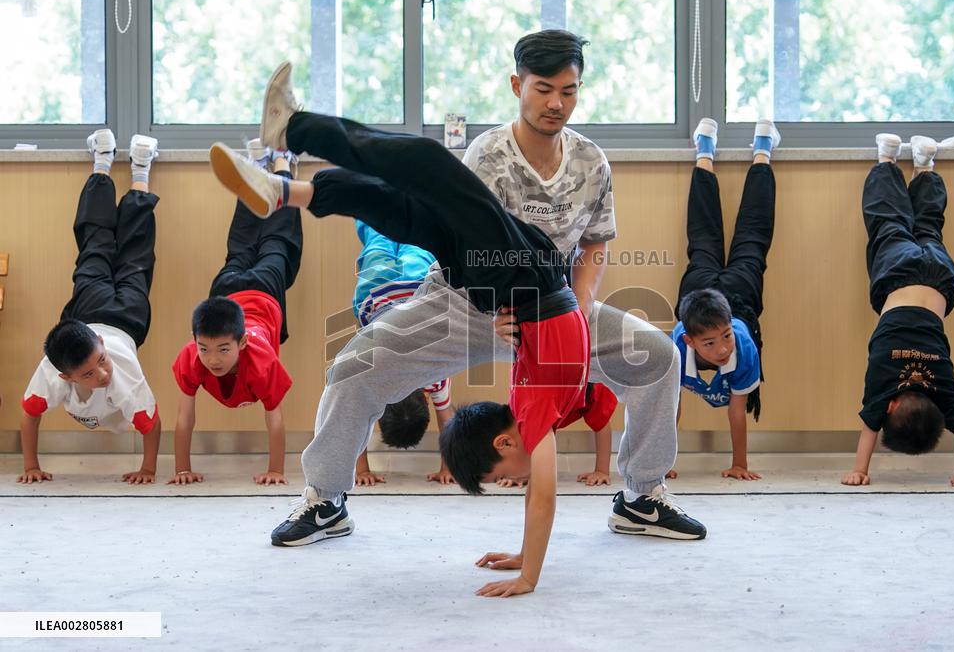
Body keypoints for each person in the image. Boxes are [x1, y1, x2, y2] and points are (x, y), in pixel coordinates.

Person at [207, 51, 705, 595]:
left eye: (569, 90)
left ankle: (641, 498)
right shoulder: (490, 151)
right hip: (469, 296)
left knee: (657, 357)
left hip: (549, 304)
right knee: (358, 359)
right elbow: (460, 221)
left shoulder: (591, 162)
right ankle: (325, 501)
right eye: (544, 89)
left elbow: (595, 247)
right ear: (518, 85)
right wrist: (497, 312)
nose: (557, 102)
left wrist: (582, 308)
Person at [841, 134, 954, 489]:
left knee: (928, 228)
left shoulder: (944, 389)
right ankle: (886, 160)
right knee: (887, 223)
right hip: (897, 277)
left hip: (940, 278)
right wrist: (860, 470)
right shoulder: (882, 386)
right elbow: (868, 428)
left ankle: (925, 166)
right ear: (890, 409)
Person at [19, 130, 162, 485]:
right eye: (88, 375)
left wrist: (148, 470)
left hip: (89, 307)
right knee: (135, 252)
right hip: (129, 317)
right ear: (64, 376)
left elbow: (151, 423)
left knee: (95, 244)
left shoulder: (119, 374)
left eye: (101, 362)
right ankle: (140, 170)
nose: (103, 375)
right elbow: (29, 413)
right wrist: (30, 466)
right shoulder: (53, 370)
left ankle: (103, 161)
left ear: (98, 343)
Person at [169, 147, 302, 486]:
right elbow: (185, 416)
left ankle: (270, 164)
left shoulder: (260, 361)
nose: (212, 359)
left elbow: (274, 417)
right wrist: (182, 468)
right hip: (231, 293)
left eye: (223, 350)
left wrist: (276, 470)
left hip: (255, 291)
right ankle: (271, 164)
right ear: (195, 342)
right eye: (205, 349)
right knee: (268, 239)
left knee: (260, 240)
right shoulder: (193, 355)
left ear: (242, 343)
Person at [670, 117, 779, 480]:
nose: (722, 350)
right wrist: (664, 462)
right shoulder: (677, 346)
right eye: (712, 344)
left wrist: (739, 464)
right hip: (737, 290)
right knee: (752, 234)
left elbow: (737, 409)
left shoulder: (741, 345)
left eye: (725, 339)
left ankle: (706, 149)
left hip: (706, 292)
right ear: (689, 339)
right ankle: (761, 149)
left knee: (703, 235)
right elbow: (671, 405)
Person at [350, 220, 455, 486]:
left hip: (417, 287)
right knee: (377, 234)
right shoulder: (374, 381)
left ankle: (408, 198)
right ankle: (369, 194)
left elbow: (448, 421)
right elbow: (356, 419)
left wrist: (448, 467)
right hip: (375, 293)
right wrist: (361, 470)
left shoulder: (436, 374)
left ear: (426, 398)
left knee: (415, 236)